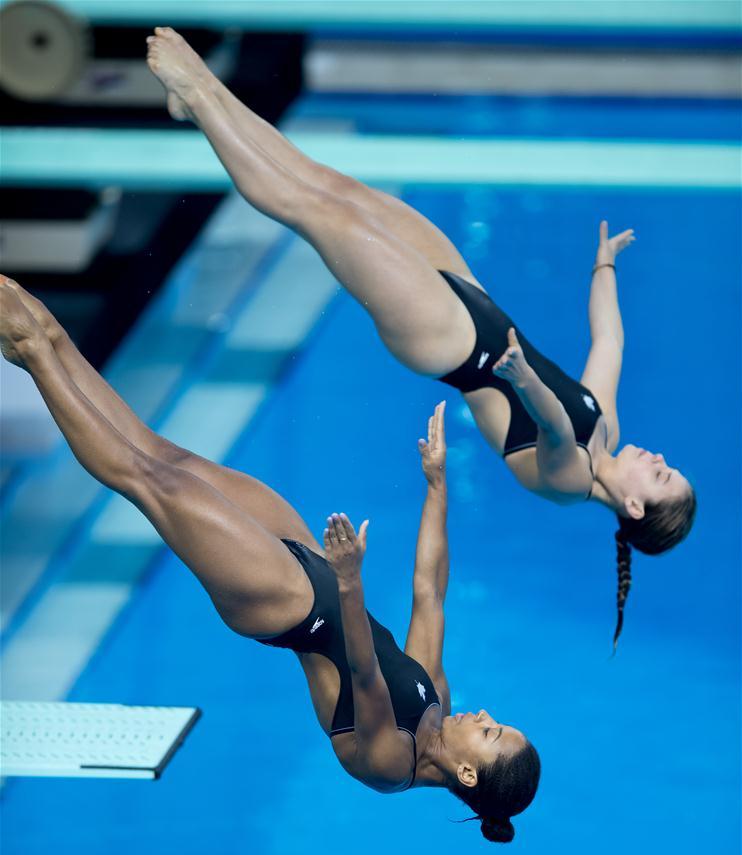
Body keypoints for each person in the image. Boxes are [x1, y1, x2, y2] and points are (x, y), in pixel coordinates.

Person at [144, 29, 695, 648]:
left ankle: (198, 91)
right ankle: (202, 100)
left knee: (314, 212)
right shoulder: (609, 432)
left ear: (636, 510)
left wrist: (523, 378)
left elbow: (555, 431)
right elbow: (609, 346)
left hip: (449, 341)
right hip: (474, 298)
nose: (660, 461)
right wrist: (604, 267)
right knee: (334, 188)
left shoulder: (573, 484)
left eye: (663, 477)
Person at [0, 279, 539, 842]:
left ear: (469, 771)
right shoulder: (439, 701)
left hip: (282, 605)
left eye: (492, 732)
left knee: (150, 480)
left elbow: (364, 670)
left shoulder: (390, 765)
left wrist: (351, 581)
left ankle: (32, 351)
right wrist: (436, 486)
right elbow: (429, 593)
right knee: (168, 455)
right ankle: (53, 338)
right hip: (313, 566)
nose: (484, 716)